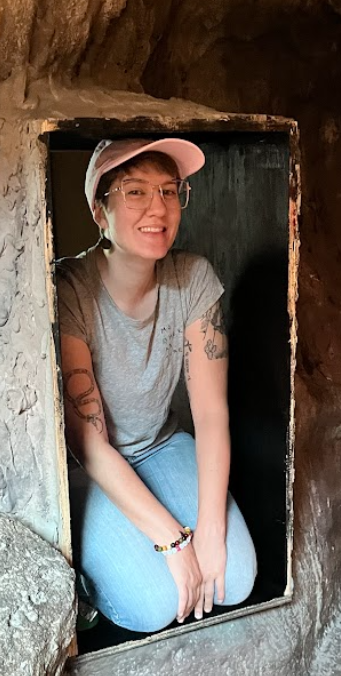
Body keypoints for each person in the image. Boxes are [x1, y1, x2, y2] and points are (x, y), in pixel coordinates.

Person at [55, 137, 256, 632]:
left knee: (238, 579)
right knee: (153, 606)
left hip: (161, 447)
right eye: (135, 192)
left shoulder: (192, 278)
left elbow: (210, 413)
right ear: (101, 213)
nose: (158, 208)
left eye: (170, 191)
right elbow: (90, 443)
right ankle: (86, 578)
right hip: (93, 470)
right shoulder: (72, 290)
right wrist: (173, 540)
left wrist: (208, 529)